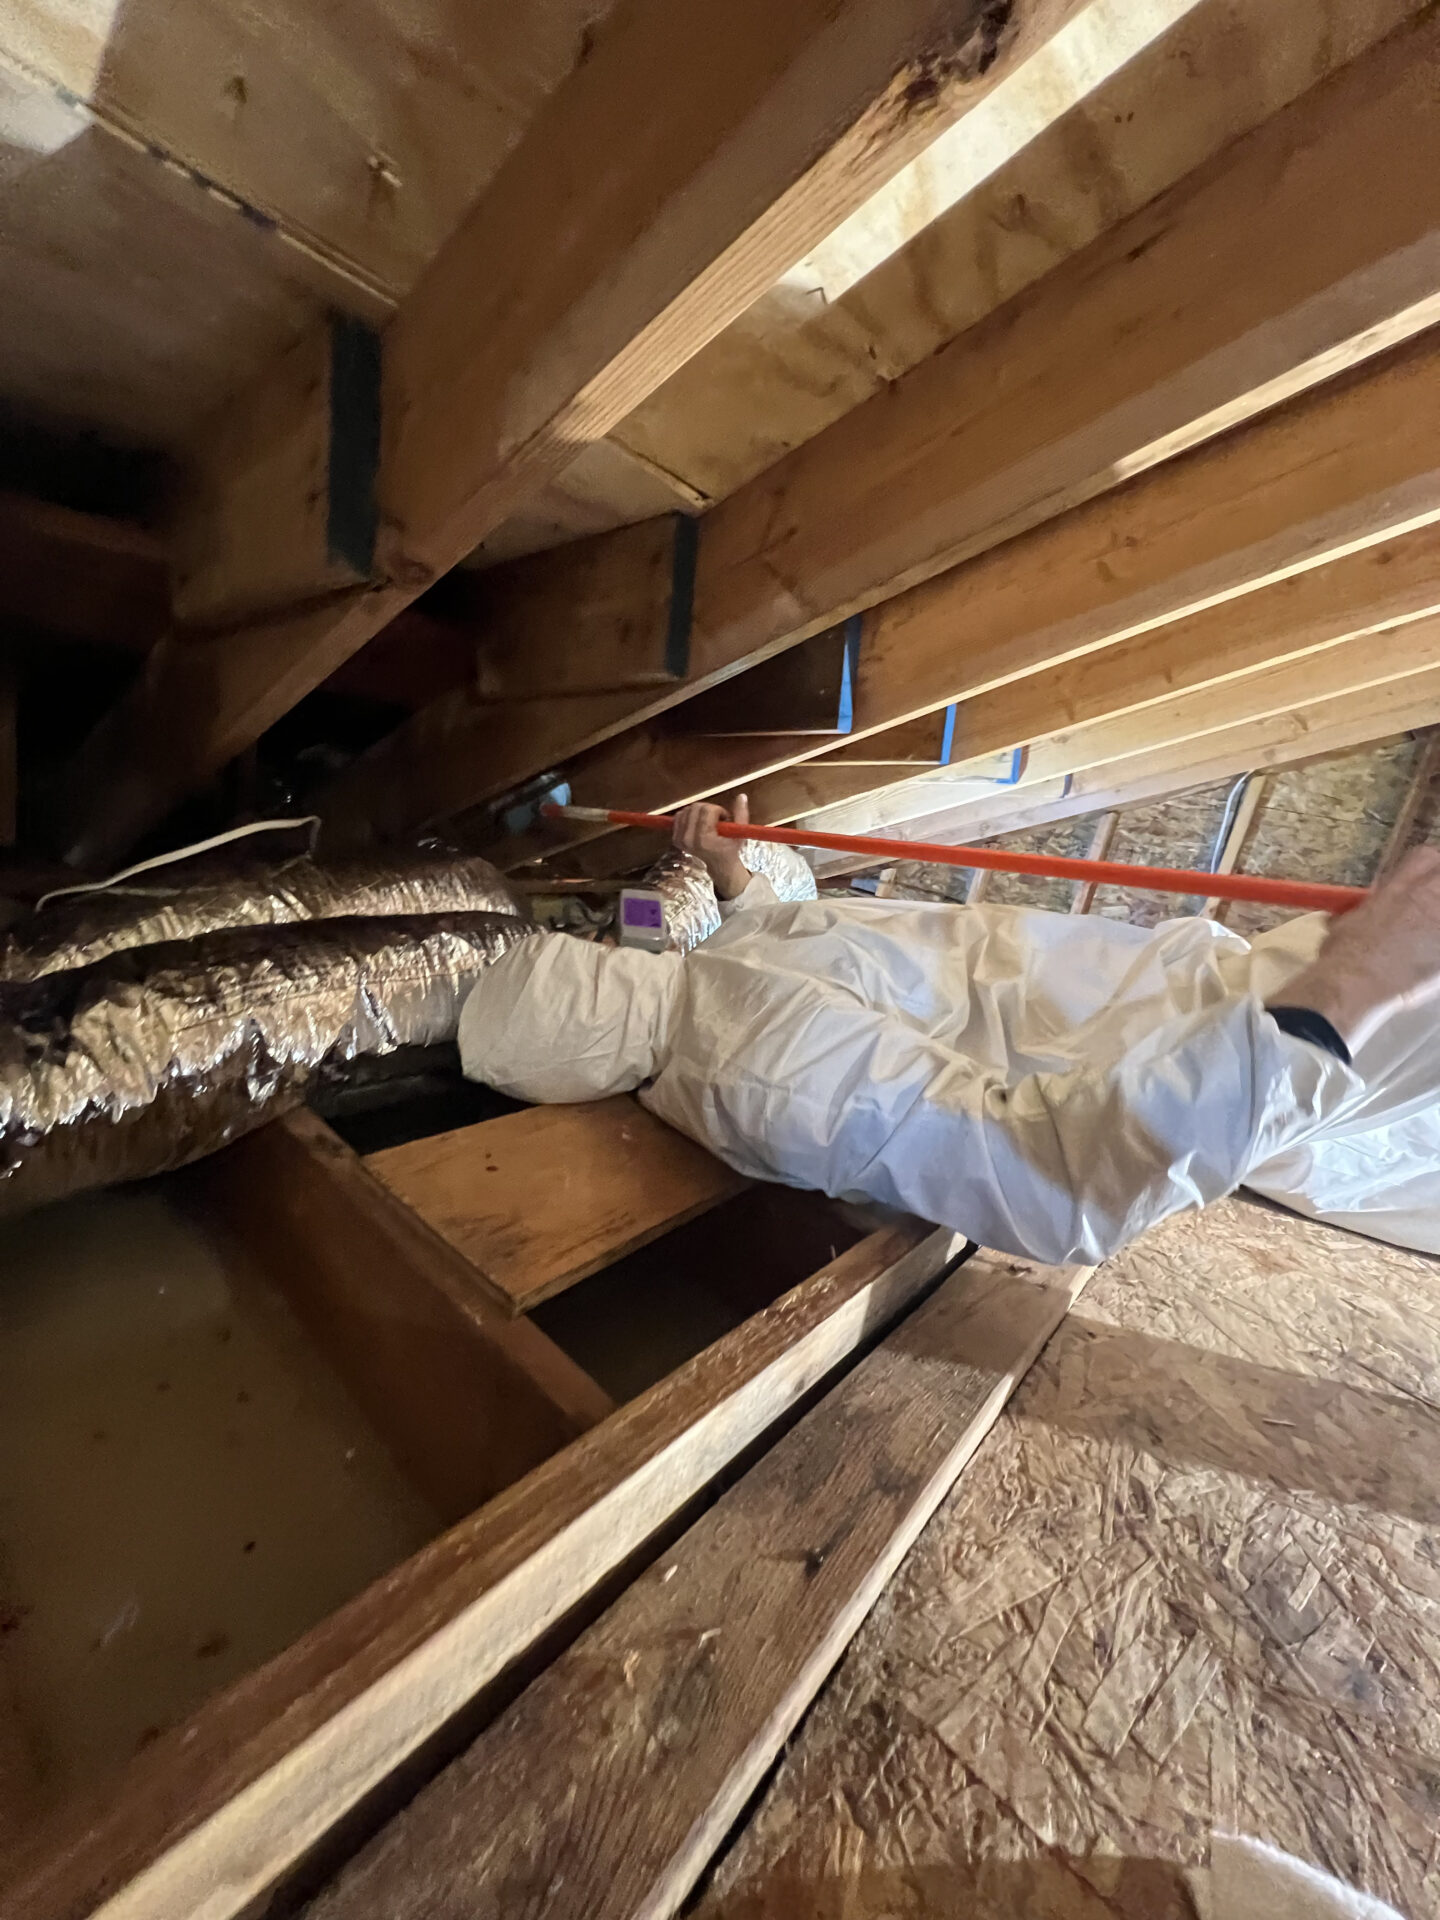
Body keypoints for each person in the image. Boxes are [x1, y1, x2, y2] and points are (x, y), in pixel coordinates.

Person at [459, 794, 1440, 1264]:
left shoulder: (725, 1009)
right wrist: (1350, 993)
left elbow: (811, 971)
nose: (596, 952)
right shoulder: (744, 1063)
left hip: (1243, 1022)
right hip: (1258, 1048)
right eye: (582, 962)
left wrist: (737, 882)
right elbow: (1047, 1176)